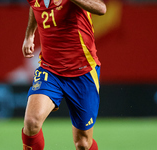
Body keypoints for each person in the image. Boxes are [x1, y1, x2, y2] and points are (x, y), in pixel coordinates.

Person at [21, 0, 106, 149]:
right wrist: (29, 35)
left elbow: (101, 8)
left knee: (83, 143)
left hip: (83, 73)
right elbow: (34, 6)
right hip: (50, 70)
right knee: (31, 123)